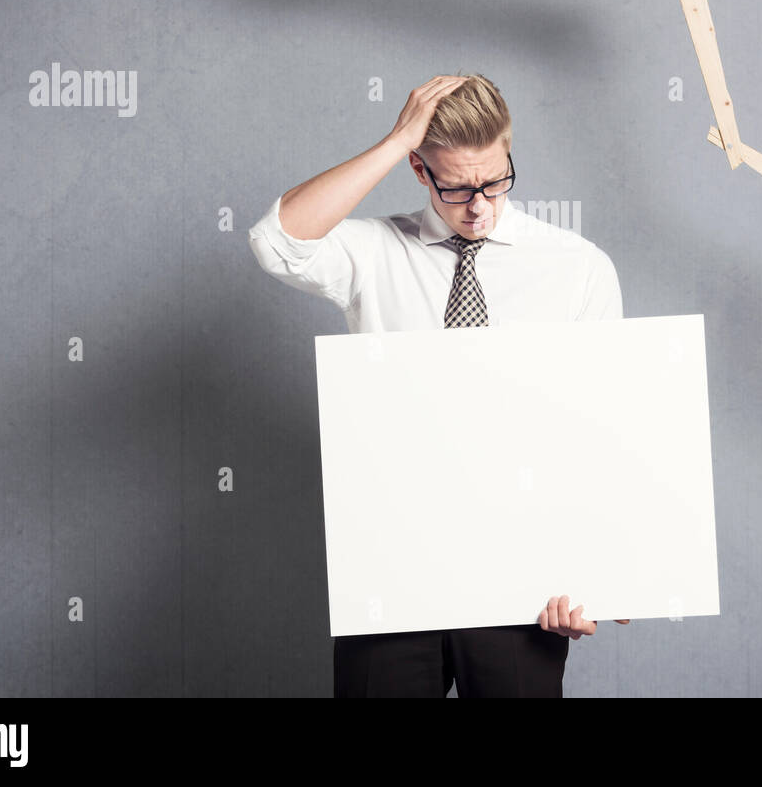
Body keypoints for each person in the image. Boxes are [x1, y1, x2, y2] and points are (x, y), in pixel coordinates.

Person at [247, 73, 629, 697]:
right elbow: (277, 240)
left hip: (521, 583)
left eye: (496, 180)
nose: (479, 204)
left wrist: (604, 575)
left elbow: (603, 431)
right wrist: (397, 140)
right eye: (455, 187)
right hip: (392, 572)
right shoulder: (375, 252)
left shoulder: (577, 268)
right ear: (421, 172)